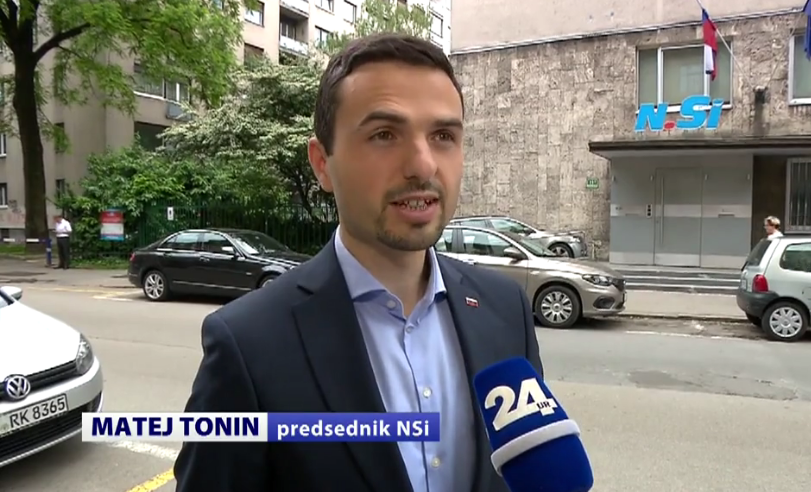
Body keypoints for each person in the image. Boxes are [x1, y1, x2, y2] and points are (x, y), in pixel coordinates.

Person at [173, 33, 543, 492]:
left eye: (443, 136)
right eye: (384, 135)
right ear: (322, 164)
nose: (423, 165)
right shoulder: (247, 344)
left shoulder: (505, 309)